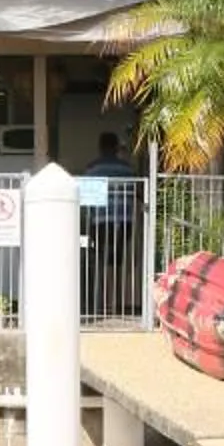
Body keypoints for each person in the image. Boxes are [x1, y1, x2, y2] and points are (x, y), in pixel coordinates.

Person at [78, 130, 140, 315]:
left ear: (100, 147)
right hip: (125, 222)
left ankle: (102, 303)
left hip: (101, 222)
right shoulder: (127, 169)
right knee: (117, 261)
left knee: (99, 260)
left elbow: (87, 200)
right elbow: (137, 191)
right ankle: (116, 303)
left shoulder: (92, 168)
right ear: (115, 147)